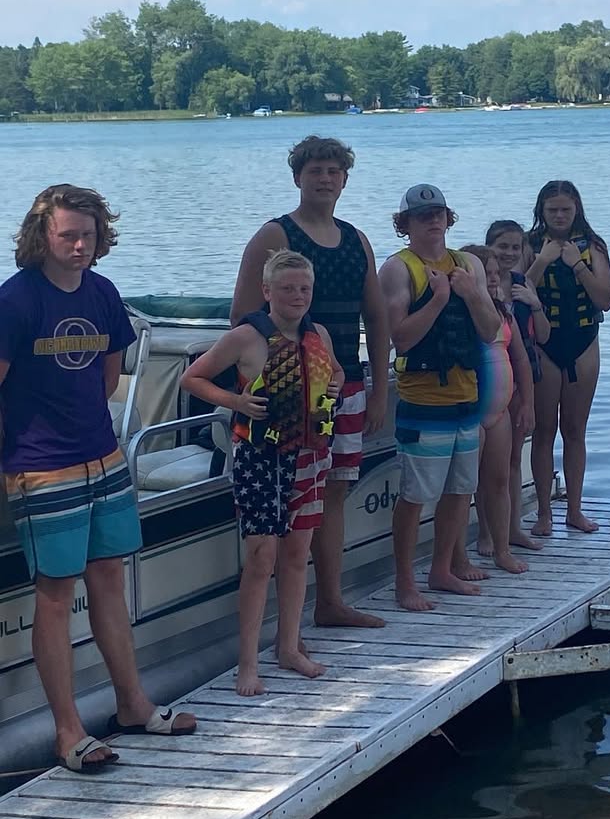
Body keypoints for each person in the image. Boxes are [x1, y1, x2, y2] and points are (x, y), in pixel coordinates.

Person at [0, 185, 196, 772]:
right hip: (42, 466)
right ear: (42, 236)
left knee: (110, 577)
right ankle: (68, 732)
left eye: (88, 235)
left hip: (103, 458)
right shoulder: (15, 301)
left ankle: (132, 704)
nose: (79, 246)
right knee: (56, 593)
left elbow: (108, 380)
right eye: (68, 235)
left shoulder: (103, 293)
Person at [231, 136, 389, 630]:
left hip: (346, 384)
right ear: (298, 177)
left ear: (345, 180)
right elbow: (242, 318)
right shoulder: (275, 235)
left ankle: (330, 601)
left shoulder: (357, 239)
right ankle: (284, 621)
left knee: (334, 491)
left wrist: (380, 389)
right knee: (291, 499)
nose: (325, 179)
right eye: (315, 170)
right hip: (289, 394)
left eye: (333, 171)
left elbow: (376, 318)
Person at [182, 250, 342, 695]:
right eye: (287, 288)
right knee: (261, 557)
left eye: (304, 288)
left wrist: (333, 381)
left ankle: (288, 646)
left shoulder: (319, 334)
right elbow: (193, 378)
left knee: (297, 553)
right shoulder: (246, 337)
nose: (297, 296)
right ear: (267, 291)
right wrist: (236, 402)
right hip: (261, 457)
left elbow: (335, 370)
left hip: (308, 454)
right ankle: (247, 662)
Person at [378, 184, 501, 610]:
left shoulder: (468, 265)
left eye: (439, 213)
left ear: (449, 218)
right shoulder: (398, 269)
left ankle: (442, 569)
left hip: (465, 396)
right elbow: (401, 338)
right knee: (415, 496)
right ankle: (405, 582)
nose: (433, 220)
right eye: (422, 215)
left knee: (460, 490)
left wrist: (471, 293)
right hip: (423, 400)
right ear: (405, 224)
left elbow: (490, 329)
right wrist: (439, 300)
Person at [525, 181, 610, 535]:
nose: (560, 216)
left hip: (583, 341)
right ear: (542, 211)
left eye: (565, 209)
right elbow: (516, 289)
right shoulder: (530, 245)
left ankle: (575, 510)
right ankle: (544, 513)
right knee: (544, 430)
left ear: (576, 208)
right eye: (553, 210)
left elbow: (605, 299)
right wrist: (542, 261)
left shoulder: (593, 246)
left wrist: (578, 266)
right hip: (544, 344)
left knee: (575, 430)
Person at [460, 244, 536, 573]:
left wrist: (528, 402)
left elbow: (521, 358)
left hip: (501, 412)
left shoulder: (503, 312)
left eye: (495, 273)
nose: (493, 279)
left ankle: (503, 549)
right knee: (466, 485)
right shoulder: (462, 311)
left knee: (500, 479)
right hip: (472, 411)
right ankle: (466, 549)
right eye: (486, 274)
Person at [485, 220, 549, 552]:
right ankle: (485, 532)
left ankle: (512, 528)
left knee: (512, 459)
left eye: (515, 247)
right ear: (489, 247)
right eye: (502, 246)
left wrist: (534, 303)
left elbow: (544, 335)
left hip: (521, 378)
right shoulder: (481, 281)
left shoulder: (523, 283)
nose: (509, 253)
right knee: (486, 464)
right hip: (490, 378)